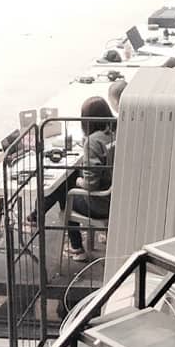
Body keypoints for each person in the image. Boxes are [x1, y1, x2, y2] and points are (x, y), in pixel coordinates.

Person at [52, 96, 114, 260]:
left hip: (100, 203)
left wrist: (77, 181)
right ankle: (36, 214)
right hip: (115, 197)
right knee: (69, 180)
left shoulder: (93, 142)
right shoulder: (115, 133)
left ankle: (77, 248)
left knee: (65, 192)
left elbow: (90, 184)